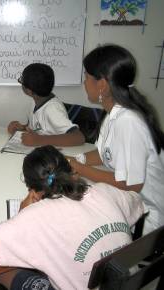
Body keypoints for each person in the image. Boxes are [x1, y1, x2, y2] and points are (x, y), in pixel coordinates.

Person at [0, 145, 144, 290]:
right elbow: (137, 203)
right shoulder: (104, 191)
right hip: (131, 283)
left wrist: (22, 214)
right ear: (71, 170)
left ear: (32, 190)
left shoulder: (35, 217)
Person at [68, 44, 164, 234]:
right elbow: (105, 153)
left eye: (86, 77)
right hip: (128, 203)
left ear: (102, 84)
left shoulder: (128, 121)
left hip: (147, 219)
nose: (84, 82)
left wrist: (79, 168)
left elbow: (131, 184)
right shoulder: (114, 112)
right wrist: (78, 159)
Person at [7, 63, 85, 146]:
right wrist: (22, 128)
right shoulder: (36, 101)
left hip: (53, 154)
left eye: (21, 80)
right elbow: (38, 128)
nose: (21, 81)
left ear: (29, 90)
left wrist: (39, 140)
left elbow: (79, 138)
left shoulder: (52, 109)